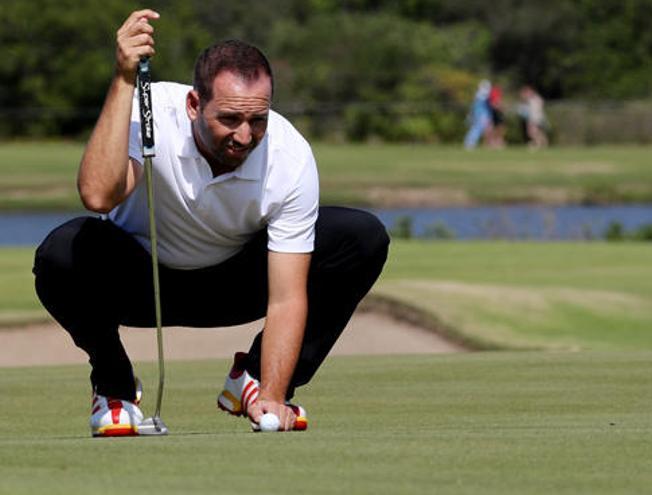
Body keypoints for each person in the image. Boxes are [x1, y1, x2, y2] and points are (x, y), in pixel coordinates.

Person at [32, 9, 389, 436]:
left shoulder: (289, 157)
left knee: (361, 237)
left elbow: (287, 298)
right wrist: (124, 80)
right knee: (61, 252)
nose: (244, 136)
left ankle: (252, 383)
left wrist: (275, 392)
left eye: (257, 120)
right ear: (193, 105)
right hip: (141, 283)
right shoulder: (149, 112)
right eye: (230, 119)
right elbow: (97, 195)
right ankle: (113, 384)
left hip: (232, 284)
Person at [463, 80, 492, 149]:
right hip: (480, 115)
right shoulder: (481, 95)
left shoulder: (479, 95)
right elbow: (479, 107)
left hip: (480, 114)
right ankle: (470, 142)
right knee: (476, 129)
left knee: (477, 129)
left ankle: (470, 142)